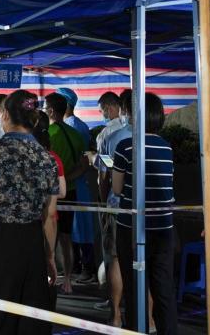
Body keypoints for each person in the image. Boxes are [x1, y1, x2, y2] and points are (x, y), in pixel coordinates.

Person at [0, 89, 59, 335]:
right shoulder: (46, 159)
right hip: (32, 242)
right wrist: (48, 256)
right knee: (28, 318)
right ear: (35, 119)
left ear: (4, 115)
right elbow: (49, 215)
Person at [111, 92, 177, 334]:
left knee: (134, 287)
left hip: (132, 226)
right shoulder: (166, 147)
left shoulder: (126, 145)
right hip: (164, 228)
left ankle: (135, 329)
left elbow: (117, 189)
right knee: (164, 289)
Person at [93, 90, 131, 326]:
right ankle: (147, 317)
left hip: (117, 206)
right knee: (143, 259)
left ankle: (116, 313)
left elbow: (104, 177)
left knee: (115, 258)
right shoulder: (156, 139)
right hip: (147, 209)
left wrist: (103, 198)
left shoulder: (111, 137)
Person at [45, 91, 87, 295]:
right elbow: (83, 164)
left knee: (48, 234)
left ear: (51, 111)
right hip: (70, 191)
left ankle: (49, 274)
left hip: (51, 194)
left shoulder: (48, 134)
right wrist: (68, 179)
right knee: (66, 237)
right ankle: (68, 280)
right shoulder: (76, 134)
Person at [56, 88, 95, 283]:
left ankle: (85, 269)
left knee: (78, 228)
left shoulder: (70, 128)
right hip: (76, 183)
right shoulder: (79, 126)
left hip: (74, 184)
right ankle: (77, 268)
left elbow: (83, 160)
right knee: (74, 228)